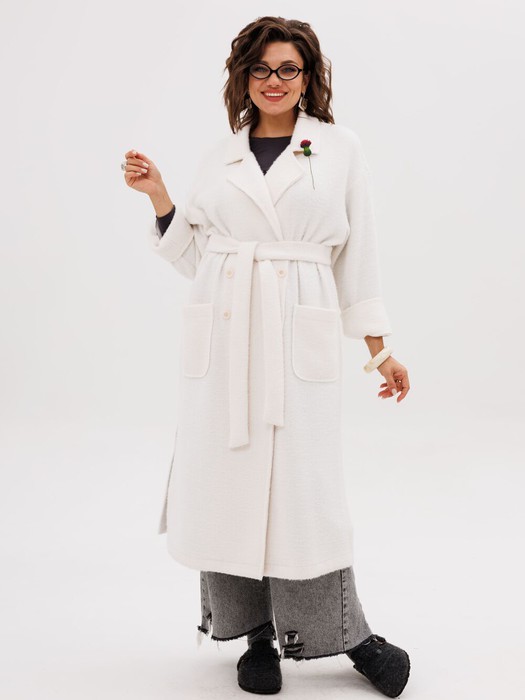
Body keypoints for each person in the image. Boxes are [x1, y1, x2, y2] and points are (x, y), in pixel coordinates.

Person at [122, 15, 411, 698]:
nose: (273, 81)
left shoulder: (337, 147)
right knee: (227, 484)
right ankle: (253, 635)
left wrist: (379, 351)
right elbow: (197, 258)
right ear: (242, 77)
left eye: (287, 69)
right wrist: (160, 198)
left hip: (297, 327)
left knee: (305, 495)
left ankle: (347, 634)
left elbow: (359, 254)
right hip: (225, 331)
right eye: (260, 69)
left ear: (307, 78)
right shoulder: (219, 156)